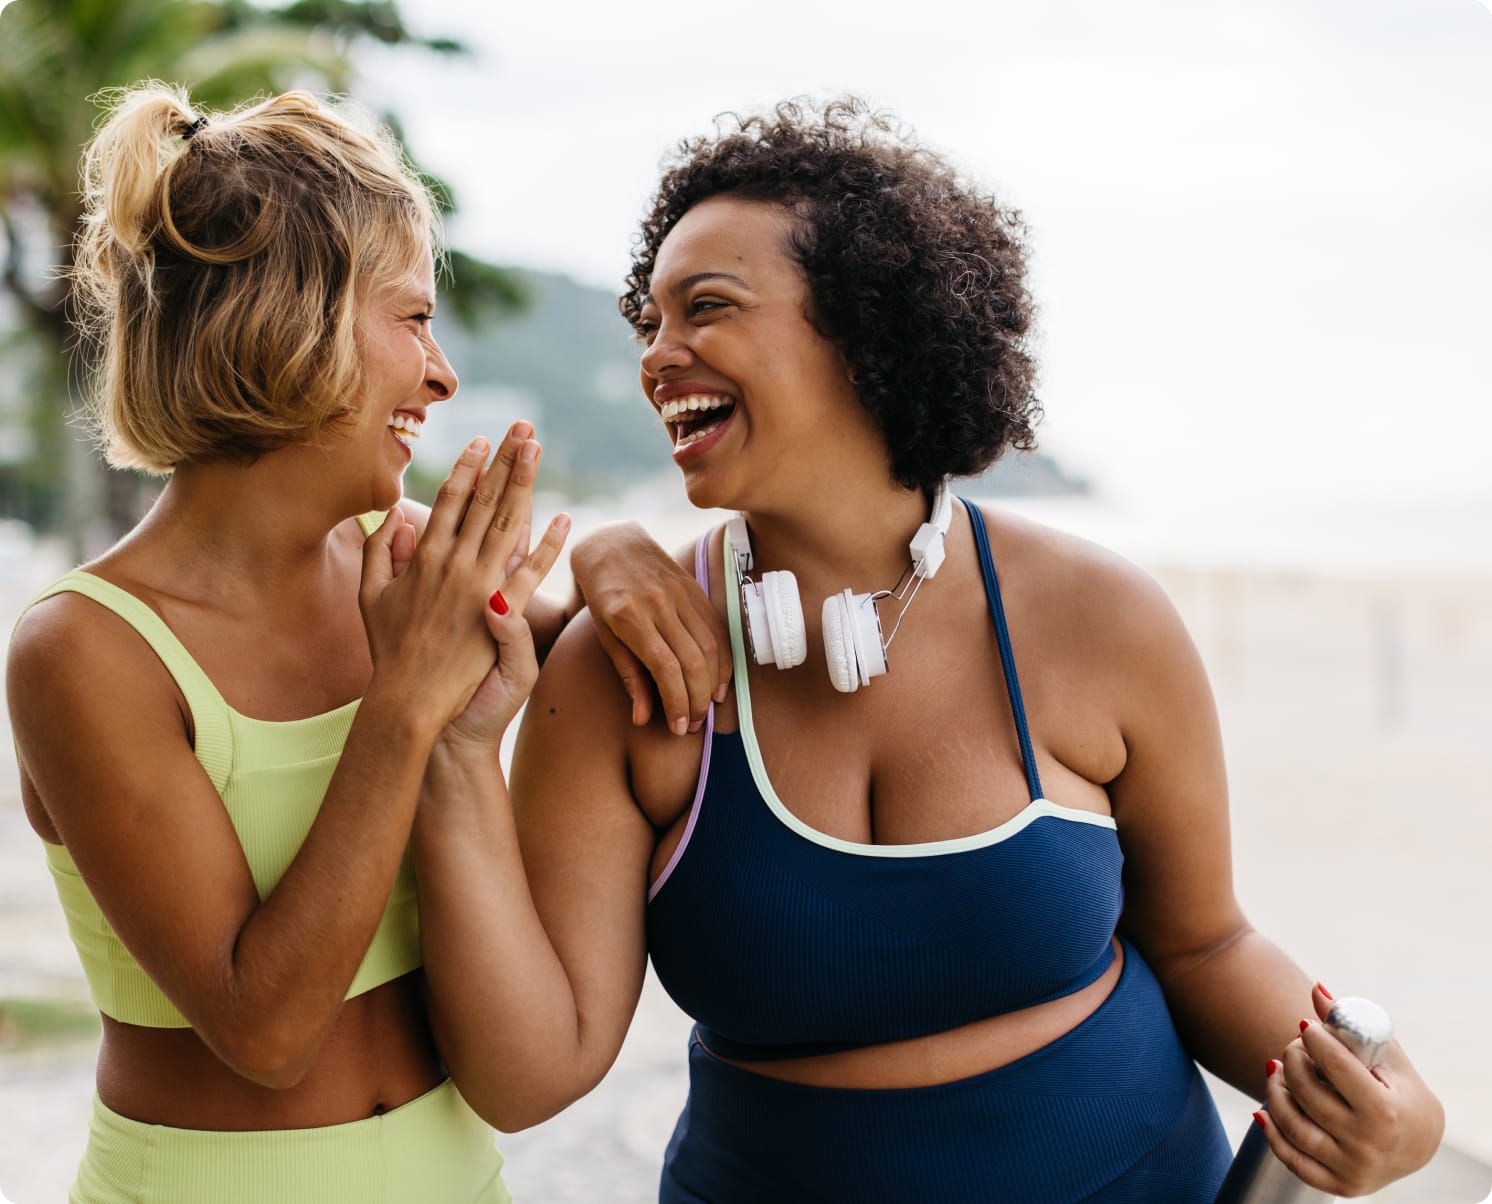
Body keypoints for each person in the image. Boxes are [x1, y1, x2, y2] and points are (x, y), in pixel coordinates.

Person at [410, 98, 1446, 1202]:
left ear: (867, 327)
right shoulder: (623, 668)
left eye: (703, 308)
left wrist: (1401, 1115)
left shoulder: (1104, 619)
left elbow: (1204, 944)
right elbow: (529, 1077)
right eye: (649, 322)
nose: (658, 358)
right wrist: (454, 749)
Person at [6, 83, 724, 1204]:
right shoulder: (85, 651)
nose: (440, 374)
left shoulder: (399, 565)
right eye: (411, 319)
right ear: (288, 322)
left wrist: (614, 553)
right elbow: (265, 1027)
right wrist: (402, 708)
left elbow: (584, 632)